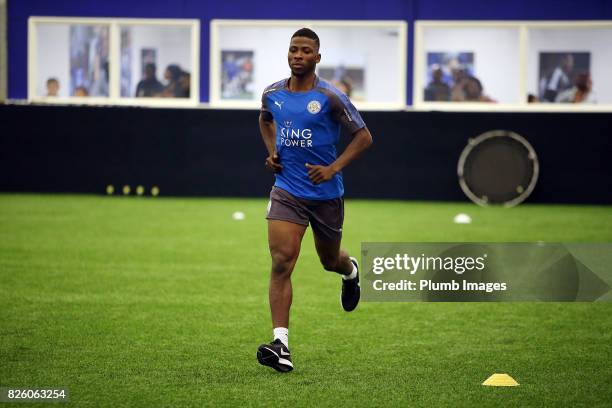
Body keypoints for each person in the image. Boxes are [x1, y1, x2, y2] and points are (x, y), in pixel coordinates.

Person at [256, 28, 373, 373]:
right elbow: (264, 120)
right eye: (293, 50)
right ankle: (281, 345)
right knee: (281, 261)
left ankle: (350, 272)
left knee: (329, 260)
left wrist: (333, 167)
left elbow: (364, 137)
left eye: (305, 51)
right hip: (287, 191)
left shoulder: (331, 97)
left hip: (325, 196)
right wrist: (272, 151)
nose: (297, 55)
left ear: (317, 58)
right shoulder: (272, 94)